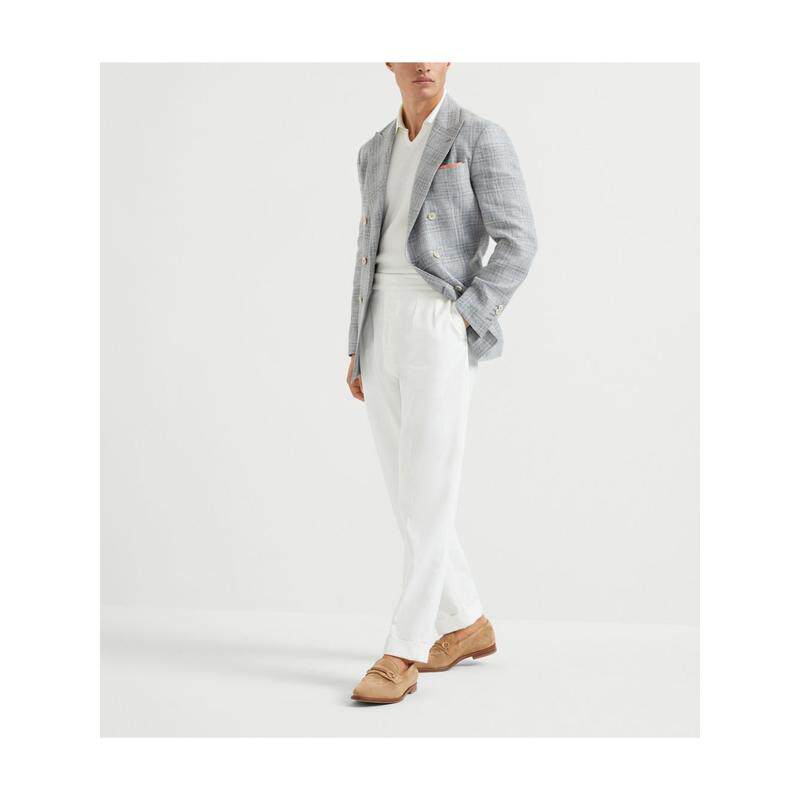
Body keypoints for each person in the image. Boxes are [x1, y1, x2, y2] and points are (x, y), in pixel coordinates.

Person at [346, 63, 537, 704]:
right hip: (380, 324)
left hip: (437, 322)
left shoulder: (479, 136)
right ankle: (468, 622)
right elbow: (365, 252)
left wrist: (464, 317)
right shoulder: (373, 150)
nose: (424, 61)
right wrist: (357, 344)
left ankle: (403, 648)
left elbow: (519, 241)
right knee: (407, 494)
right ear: (389, 61)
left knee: (428, 492)